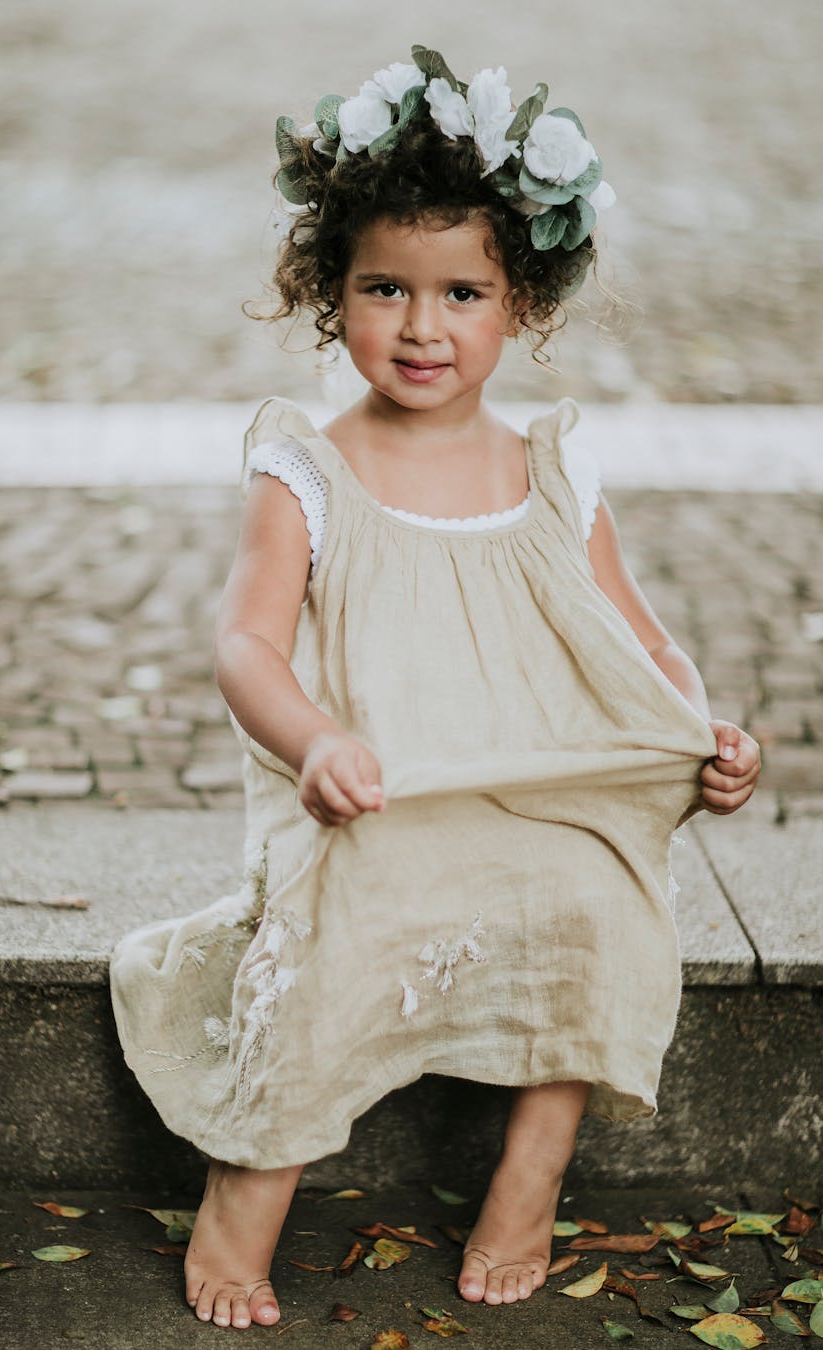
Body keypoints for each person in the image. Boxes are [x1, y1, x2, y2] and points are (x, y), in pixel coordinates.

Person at [109, 45, 761, 1331]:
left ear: (520, 305)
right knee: (342, 932)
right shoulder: (309, 469)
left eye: (463, 292)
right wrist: (313, 740)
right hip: (371, 793)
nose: (421, 326)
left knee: (600, 903)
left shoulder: (555, 472)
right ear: (326, 293)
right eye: (383, 289)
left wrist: (704, 734)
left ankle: (533, 1172)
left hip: (527, 791)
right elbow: (243, 642)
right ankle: (247, 1197)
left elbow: (640, 642)